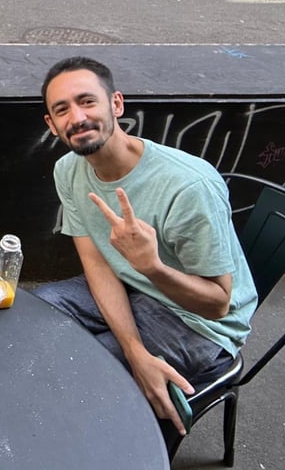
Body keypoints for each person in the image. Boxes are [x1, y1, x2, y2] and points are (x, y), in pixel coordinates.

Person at [35, 56, 257, 439]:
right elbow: (100, 267)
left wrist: (151, 267)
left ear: (116, 105)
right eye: (62, 109)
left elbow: (219, 304)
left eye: (87, 101)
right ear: (51, 125)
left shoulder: (187, 187)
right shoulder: (68, 169)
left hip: (197, 322)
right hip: (135, 286)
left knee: (80, 371)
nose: (77, 117)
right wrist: (135, 351)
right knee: (32, 314)